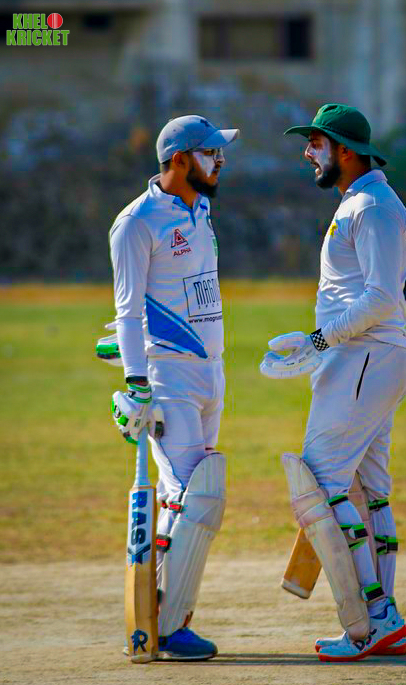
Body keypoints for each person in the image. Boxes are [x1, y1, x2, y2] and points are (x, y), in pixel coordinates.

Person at [260, 104, 406, 662]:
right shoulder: (365, 202)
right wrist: (323, 345)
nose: (307, 152)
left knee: (320, 488)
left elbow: (381, 297)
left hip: (363, 358)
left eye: (316, 143)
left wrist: (319, 341)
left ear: (346, 151)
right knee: (367, 490)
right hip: (369, 360)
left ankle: (369, 621)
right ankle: (384, 618)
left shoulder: (370, 207)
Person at [108, 115, 239, 660]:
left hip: (211, 370)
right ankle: (168, 627)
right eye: (211, 153)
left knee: (184, 496)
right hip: (169, 375)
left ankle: (163, 617)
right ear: (179, 159)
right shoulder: (136, 222)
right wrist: (137, 383)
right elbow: (127, 310)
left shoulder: (201, 208)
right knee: (194, 497)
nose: (220, 161)